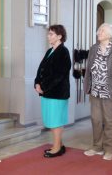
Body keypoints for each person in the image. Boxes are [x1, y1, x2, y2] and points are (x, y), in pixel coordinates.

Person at [83, 23, 112, 160]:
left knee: (110, 120)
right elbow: (89, 68)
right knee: (96, 119)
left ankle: (110, 149)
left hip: (111, 92)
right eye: (99, 31)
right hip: (95, 90)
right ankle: (97, 146)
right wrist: (87, 86)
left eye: (102, 31)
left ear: (110, 35)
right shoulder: (93, 48)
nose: (98, 33)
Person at [34, 24, 71, 158]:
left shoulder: (63, 52)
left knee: (56, 121)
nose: (48, 36)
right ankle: (59, 145)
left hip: (57, 93)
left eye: (51, 34)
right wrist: (37, 83)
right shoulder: (50, 51)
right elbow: (41, 69)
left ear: (59, 36)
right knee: (51, 119)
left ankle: (56, 148)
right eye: (48, 33)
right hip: (47, 92)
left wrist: (44, 87)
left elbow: (59, 75)